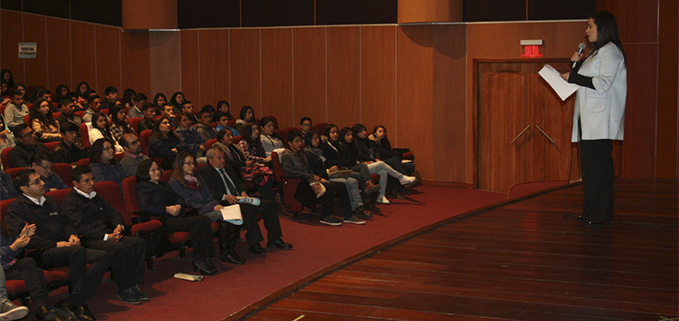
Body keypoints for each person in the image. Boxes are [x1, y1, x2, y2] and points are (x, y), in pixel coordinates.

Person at [6, 169, 111, 321]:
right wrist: (55, 244)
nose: (43, 183)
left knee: (103, 256)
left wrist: (72, 235)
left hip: (64, 248)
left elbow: (66, 223)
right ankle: (80, 304)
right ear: (24, 189)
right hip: (41, 253)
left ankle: (71, 300)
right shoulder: (16, 208)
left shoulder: (50, 201)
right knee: (77, 252)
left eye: (41, 179)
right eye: (36, 182)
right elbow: (23, 238)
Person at [561, 11, 627, 229]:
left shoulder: (611, 51)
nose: (586, 31)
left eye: (590, 26)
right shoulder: (595, 53)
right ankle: (591, 211)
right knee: (589, 170)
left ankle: (599, 214)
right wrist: (576, 65)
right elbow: (583, 81)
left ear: (603, 27)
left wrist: (575, 76)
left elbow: (603, 83)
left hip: (601, 122)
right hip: (588, 121)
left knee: (598, 170)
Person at [61, 166, 148, 304]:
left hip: (107, 234)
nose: (92, 183)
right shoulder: (70, 202)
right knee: (118, 248)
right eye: (87, 181)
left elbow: (113, 213)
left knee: (138, 243)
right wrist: (106, 237)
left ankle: (133, 284)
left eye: (92, 179)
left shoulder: (96, 196)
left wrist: (118, 227)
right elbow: (80, 228)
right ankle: (124, 288)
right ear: (76, 184)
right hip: (90, 240)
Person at [199, 147, 291, 258]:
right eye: (219, 158)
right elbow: (208, 191)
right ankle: (254, 243)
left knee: (269, 204)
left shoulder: (227, 167)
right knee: (249, 210)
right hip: (225, 202)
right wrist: (224, 197)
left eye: (223, 157)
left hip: (240, 198)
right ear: (210, 160)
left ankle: (274, 238)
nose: (222, 160)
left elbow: (239, 182)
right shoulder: (205, 172)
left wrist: (242, 191)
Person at [135, 159, 217, 275]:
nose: (157, 172)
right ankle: (200, 259)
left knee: (203, 220)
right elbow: (145, 207)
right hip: (162, 221)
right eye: (153, 170)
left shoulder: (163, 184)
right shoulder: (143, 187)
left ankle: (206, 258)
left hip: (175, 216)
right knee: (200, 221)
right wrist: (167, 209)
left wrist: (177, 206)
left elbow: (179, 198)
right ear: (145, 172)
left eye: (158, 169)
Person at [168, 152, 244, 267]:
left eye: (193, 163)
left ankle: (230, 250)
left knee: (232, 213)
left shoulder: (198, 178)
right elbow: (188, 202)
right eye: (188, 164)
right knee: (225, 217)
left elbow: (208, 196)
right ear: (180, 165)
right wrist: (212, 207)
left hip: (207, 208)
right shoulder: (175, 182)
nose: (192, 166)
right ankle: (225, 253)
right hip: (194, 212)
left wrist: (216, 205)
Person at [281, 131, 362, 226]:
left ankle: (348, 215)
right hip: (301, 183)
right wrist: (313, 177)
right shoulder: (287, 155)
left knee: (342, 185)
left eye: (300, 141)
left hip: (310, 179)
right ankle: (326, 216)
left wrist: (317, 177)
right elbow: (290, 172)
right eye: (296, 141)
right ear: (290, 143)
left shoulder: (300, 153)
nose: (300, 144)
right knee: (330, 186)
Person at [1, 222, 70, 321]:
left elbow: (13, 252)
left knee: (29, 262)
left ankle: (43, 309)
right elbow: (10, 249)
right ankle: (44, 309)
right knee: (36, 273)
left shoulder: (2, 228)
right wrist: (12, 247)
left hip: (8, 264)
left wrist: (22, 237)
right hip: (1, 270)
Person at [339, 127, 416, 204]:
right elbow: (351, 160)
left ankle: (381, 196)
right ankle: (401, 177)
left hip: (361, 165)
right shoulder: (342, 146)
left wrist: (365, 161)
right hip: (354, 168)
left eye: (351, 135)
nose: (350, 137)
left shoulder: (353, 145)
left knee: (383, 172)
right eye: (348, 135)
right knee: (381, 164)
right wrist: (364, 162)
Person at [304, 131, 372, 219]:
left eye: (318, 138)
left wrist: (333, 168)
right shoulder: (307, 153)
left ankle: (358, 207)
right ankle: (349, 210)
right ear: (309, 140)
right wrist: (328, 170)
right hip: (322, 176)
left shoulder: (320, 151)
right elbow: (313, 170)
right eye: (314, 139)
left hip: (331, 173)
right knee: (345, 182)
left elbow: (327, 163)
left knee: (352, 180)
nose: (317, 141)